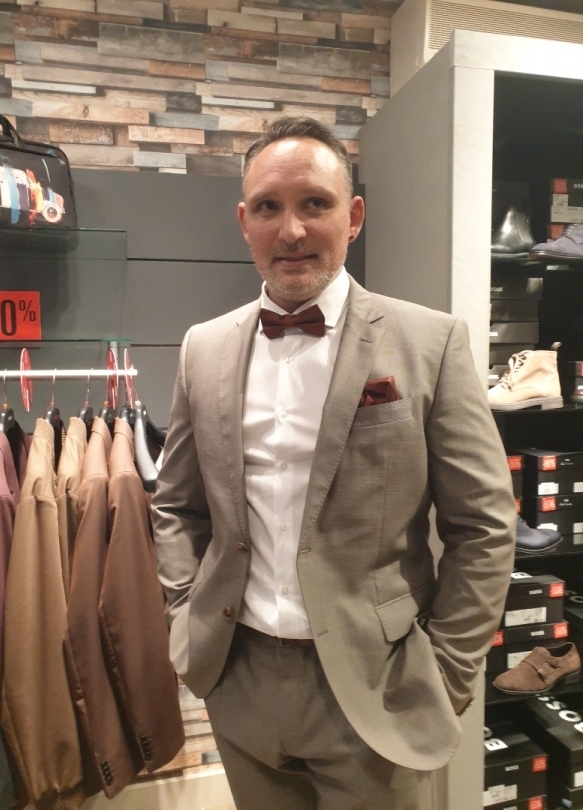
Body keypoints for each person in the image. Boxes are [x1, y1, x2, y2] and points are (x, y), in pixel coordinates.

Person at [151, 116, 516, 810]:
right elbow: (177, 504)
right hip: (238, 678)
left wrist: (446, 672)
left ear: (353, 217)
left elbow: (485, 525)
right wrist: (182, 614)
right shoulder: (204, 347)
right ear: (245, 222)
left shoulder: (430, 342)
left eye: (314, 203)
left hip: (380, 686)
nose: (291, 230)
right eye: (269, 207)